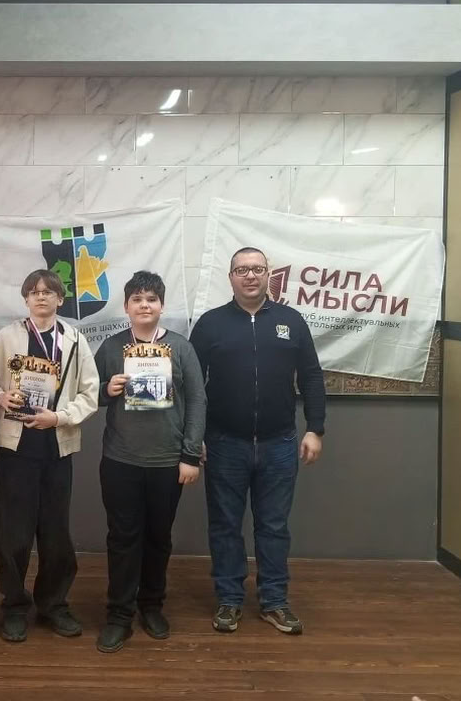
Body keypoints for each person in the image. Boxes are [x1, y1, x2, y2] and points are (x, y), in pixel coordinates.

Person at [189, 247, 325, 636]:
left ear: (269, 275)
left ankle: (274, 602)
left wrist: (315, 428)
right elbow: (192, 386)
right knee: (225, 526)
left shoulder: (291, 321)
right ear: (230, 277)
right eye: (242, 270)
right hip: (223, 443)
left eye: (257, 269)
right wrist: (194, 437)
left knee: (274, 526)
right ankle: (229, 600)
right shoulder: (211, 324)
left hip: (279, 443)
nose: (250, 275)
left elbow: (311, 376)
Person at [0, 268, 100, 642]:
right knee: (13, 534)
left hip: (56, 448)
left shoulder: (74, 340)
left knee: (55, 533)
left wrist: (58, 417)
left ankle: (53, 604)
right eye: (34, 291)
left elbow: (90, 393)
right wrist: (0, 397)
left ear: (60, 299)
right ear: (26, 299)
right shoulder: (6, 337)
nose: (41, 296)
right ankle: (14, 606)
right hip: (17, 449)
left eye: (48, 291)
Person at [92, 270, 207, 653]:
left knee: (158, 537)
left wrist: (190, 455)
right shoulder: (112, 347)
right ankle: (119, 615)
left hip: (167, 462)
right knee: (122, 538)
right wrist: (107, 389)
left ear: (161, 305)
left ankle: (152, 605)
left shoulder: (181, 347)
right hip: (120, 459)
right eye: (137, 299)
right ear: (126, 307)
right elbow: (87, 394)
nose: (145, 305)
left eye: (151, 299)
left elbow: (198, 401)